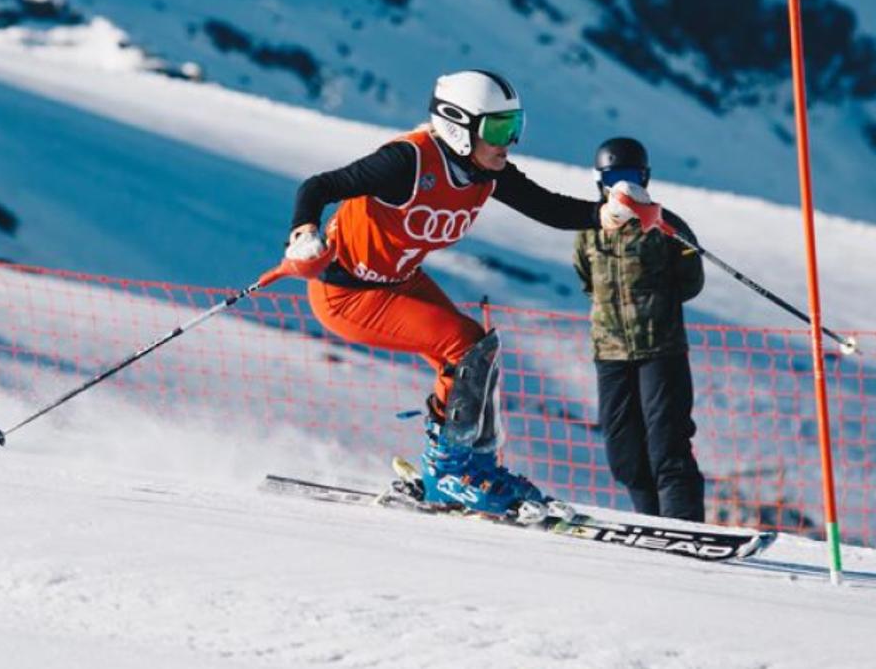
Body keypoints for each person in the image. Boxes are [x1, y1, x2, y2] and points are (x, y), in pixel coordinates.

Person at [275, 70, 662, 521]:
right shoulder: (407, 161)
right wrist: (304, 233)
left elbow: (548, 208)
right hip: (348, 292)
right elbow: (318, 187)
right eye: (498, 129)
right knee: (462, 343)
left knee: (476, 351)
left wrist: (606, 214)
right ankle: (451, 474)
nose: (509, 141)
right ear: (459, 127)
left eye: (514, 127)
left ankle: (470, 468)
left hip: (398, 280)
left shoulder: (485, 171)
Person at [573, 137, 707, 521]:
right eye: (614, 177)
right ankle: (651, 524)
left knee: (668, 446)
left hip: (660, 352)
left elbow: (690, 281)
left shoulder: (666, 226)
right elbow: (586, 278)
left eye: (631, 177)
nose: (623, 187)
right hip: (610, 354)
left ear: (645, 178)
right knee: (624, 454)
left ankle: (683, 525)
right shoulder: (589, 230)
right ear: (599, 181)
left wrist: (655, 309)